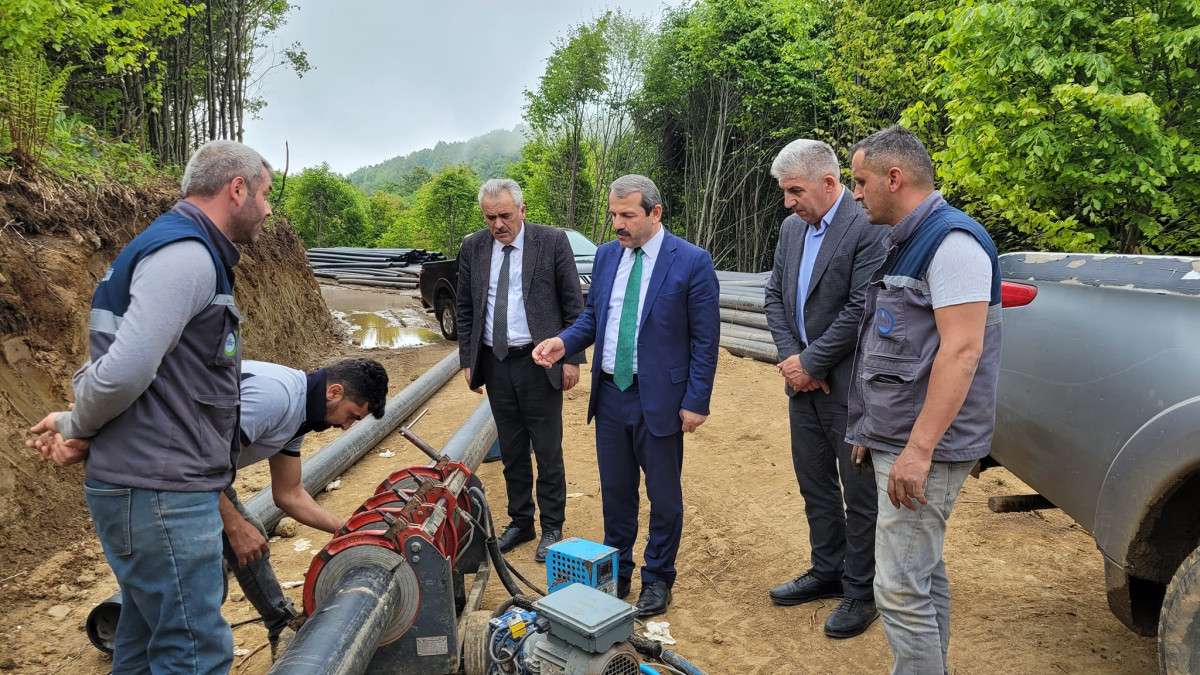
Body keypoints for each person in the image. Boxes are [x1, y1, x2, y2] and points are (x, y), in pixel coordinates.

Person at [27, 140, 272, 674]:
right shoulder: (186, 256)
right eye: (266, 193)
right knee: (192, 652)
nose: (268, 208)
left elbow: (150, 380)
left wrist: (81, 426)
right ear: (237, 189)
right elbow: (123, 372)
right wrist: (79, 425)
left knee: (140, 644)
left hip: (147, 487)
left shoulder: (175, 250)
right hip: (161, 494)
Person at [845, 125, 1002, 674]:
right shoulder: (912, 240)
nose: (856, 192)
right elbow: (891, 349)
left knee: (898, 588)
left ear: (895, 177)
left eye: (861, 181)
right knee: (923, 571)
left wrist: (917, 449)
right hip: (904, 438)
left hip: (928, 448)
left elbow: (961, 353)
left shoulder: (952, 243)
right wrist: (872, 432)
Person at [532, 174, 720, 618]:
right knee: (616, 493)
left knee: (664, 497)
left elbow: (705, 340)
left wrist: (696, 400)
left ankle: (658, 578)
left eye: (627, 215)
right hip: (612, 396)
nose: (618, 224)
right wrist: (564, 343)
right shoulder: (606, 257)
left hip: (661, 400)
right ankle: (617, 572)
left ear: (655, 213)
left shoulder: (691, 261)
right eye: (614, 214)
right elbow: (594, 316)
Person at [763, 139, 888, 638]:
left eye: (795, 190)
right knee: (815, 481)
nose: (788, 201)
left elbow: (862, 307)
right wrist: (794, 361)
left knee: (858, 491)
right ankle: (828, 569)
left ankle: (863, 589)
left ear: (829, 183)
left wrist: (810, 361)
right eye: (785, 191)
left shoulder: (865, 228)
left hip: (850, 387)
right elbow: (774, 295)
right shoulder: (793, 229)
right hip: (804, 386)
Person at [221, 357, 388, 659]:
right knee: (201, 572)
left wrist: (349, 530)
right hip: (158, 471)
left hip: (197, 474)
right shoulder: (275, 398)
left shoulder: (299, 415)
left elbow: (289, 494)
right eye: (351, 415)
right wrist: (233, 525)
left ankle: (282, 624)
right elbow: (194, 462)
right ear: (334, 392)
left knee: (252, 540)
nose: (346, 427)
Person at [455, 178, 585, 562]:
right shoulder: (473, 248)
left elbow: (573, 304)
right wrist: (468, 359)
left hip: (539, 360)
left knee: (546, 447)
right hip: (496, 362)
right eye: (490, 217)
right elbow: (465, 308)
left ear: (522, 210)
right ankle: (521, 520)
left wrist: (571, 358)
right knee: (511, 447)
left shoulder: (551, 242)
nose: (498, 225)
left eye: (505, 216)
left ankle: (552, 526)